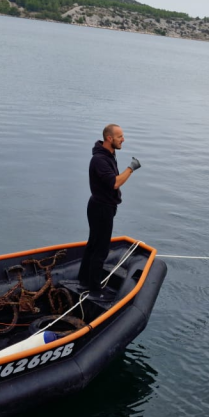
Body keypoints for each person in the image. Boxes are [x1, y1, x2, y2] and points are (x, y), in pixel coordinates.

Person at [78, 124, 141, 292]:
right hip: (101, 209)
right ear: (109, 138)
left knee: (93, 244)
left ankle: (83, 280)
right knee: (100, 249)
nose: (123, 139)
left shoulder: (108, 154)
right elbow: (114, 183)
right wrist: (131, 168)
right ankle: (94, 290)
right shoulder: (99, 160)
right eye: (120, 136)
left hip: (101, 206)